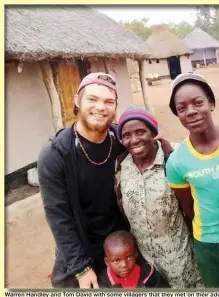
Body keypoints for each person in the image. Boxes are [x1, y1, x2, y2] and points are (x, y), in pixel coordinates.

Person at [38, 72, 128, 288]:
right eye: (92, 99)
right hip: (81, 247)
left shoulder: (121, 140)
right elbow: (59, 217)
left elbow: (149, 145)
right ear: (77, 101)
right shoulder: (56, 154)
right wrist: (81, 268)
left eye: (109, 102)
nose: (100, 107)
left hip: (119, 246)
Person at [165, 73, 219, 288]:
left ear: (211, 103)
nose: (191, 112)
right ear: (177, 114)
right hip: (210, 247)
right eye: (182, 108)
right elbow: (188, 208)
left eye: (198, 103)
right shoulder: (176, 162)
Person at [113, 106, 203, 288]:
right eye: (127, 135)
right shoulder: (121, 166)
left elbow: (193, 207)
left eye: (140, 132)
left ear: (153, 132)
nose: (134, 140)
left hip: (181, 263)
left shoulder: (173, 161)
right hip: (145, 267)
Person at [98, 230, 170, 288]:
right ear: (107, 262)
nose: (124, 264)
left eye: (129, 257)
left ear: (136, 254)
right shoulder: (103, 282)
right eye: (116, 261)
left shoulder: (147, 273)